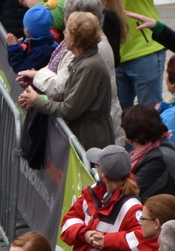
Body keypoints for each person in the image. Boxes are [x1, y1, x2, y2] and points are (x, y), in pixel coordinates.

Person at [20, 10, 119, 156]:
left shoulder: (89, 66)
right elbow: (67, 96)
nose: (63, 35)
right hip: (85, 136)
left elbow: (69, 109)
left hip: (90, 142)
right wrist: (41, 96)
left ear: (74, 39)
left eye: (66, 32)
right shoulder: (82, 60)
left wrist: (37, 101)